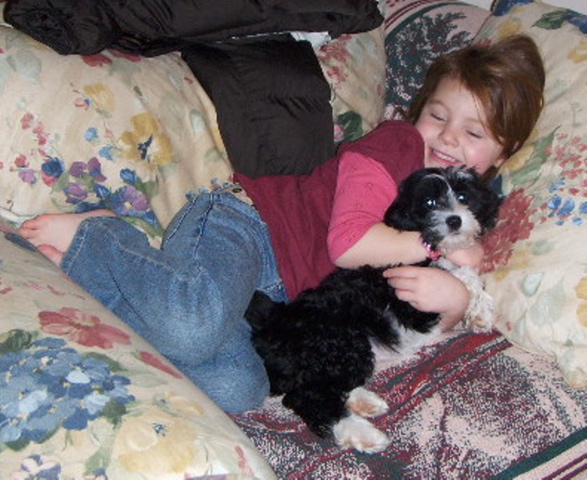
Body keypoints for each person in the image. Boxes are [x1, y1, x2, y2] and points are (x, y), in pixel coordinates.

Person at [17, 34, 545, 413]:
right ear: (418, 112)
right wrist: (441, 252)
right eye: (438, 115)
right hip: (248, 226)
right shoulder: (399, 144)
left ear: (506, 150)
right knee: (193, 324)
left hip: (269, 301)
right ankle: (104, 237)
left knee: (240, 390)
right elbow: (349, 244)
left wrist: (453, 304)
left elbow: (419, 318)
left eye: (474, 132)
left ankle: (117, 282)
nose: (449, 138)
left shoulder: (470, 206)